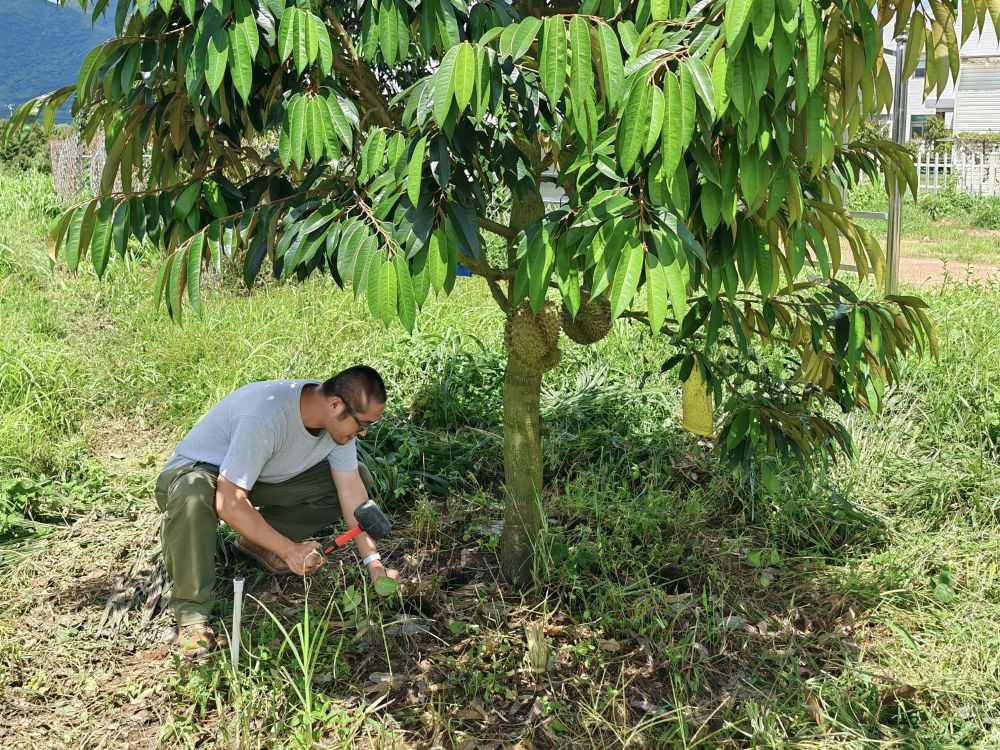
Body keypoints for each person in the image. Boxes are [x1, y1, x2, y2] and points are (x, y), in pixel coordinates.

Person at [154, 366, 399, 657]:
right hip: (198, 473)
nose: (364, 432)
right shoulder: (265, 417)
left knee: (359, 475)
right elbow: (229, 502)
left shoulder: (336, 427)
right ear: (335, 405)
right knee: (193, 496)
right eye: (362, 424)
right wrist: (289, 550)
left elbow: (352, 494)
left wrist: (374, 564)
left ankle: (255, 543)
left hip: (255, 475)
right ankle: (192, 617)